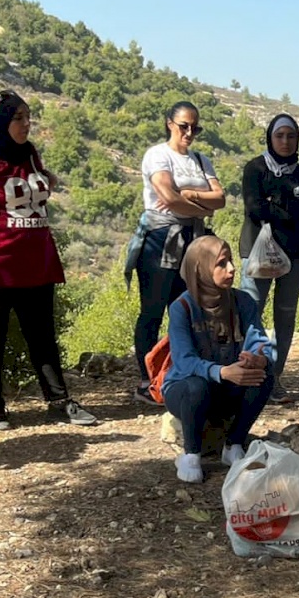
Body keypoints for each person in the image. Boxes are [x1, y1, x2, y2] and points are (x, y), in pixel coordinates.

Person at [0, 92, 98, 430]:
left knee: (43, 337)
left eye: (28, 117)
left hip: (37, 262)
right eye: (18, 118)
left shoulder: (29, 153)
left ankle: (58, 402)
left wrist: (46, 179)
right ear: (1, 121)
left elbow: (34, 185)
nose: (26, 124)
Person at [161, 237, 276, 483]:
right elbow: (184, 361)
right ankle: (191, 454)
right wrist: (222, 372)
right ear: (199, 269)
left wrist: (259, 359)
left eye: (231, 261)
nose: (232, 269)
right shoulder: (182, 307)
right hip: (185, 391)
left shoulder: (242, 301)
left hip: (227, 387)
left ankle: (233, 444)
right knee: (196, 386)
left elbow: (260, 341)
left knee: (263, 376)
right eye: (221, 263)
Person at [131, 100, 225, 398]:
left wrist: (190, 195)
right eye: (184, 126)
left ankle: (181, 373)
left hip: (193, 240)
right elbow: (168, 198)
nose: (189, 133)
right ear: (169, 123)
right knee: (153, 309)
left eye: (195, 128)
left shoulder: (200, 159)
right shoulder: (157, 155)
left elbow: (220, 199)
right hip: (161, 239)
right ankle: (148, 381)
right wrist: (202, 206)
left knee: (188, 309)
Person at [237, 114, 299, 402]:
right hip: (257, 252)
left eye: (291, 136)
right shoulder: (255, 169)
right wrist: (290, 207)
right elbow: (255, 207)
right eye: (280, 135)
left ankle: (274, 377)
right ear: (270, 138)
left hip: (296, 255)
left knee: (285, 315)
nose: (285, 141)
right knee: (250, 311)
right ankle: (247, 373)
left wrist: (276, 204)